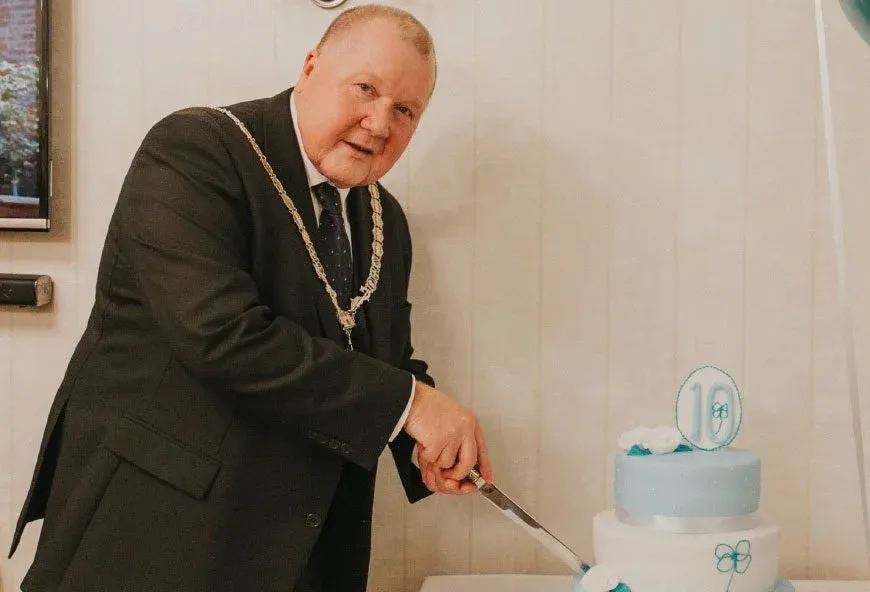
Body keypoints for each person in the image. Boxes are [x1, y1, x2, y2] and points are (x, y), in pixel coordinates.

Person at [8, 5, 493, 591]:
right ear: (310, 67)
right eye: (365, 88)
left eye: (405, 110)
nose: (379, 123)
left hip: (303, 548)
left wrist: (427, 440)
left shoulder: (384, 216)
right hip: (156, 533)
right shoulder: (195, 149)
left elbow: (379, 357)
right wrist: (410, 405)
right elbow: (222, 335)